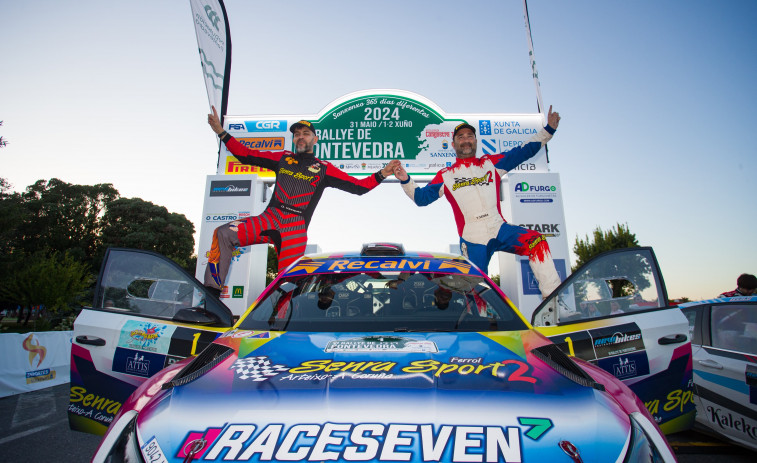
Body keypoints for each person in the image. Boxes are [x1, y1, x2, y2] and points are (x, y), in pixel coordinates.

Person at [205, 107, 400, 297]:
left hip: (294, 228)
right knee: (223, 233)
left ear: (314, 140)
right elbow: (245, 154)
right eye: (297, 133)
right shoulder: (283, 157)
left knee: (288, 284)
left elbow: (359, 187)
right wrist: (221, 132)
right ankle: (212, 300)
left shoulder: (325, 168)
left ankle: (282, 323)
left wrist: (383, 173)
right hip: (270, 218)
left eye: (306, 133)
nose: (300, 136)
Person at [393, 107, 562, 298]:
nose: (466, 140)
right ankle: (481, 322)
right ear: (453, 144)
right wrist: (406, 180)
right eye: (461, 137)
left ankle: (552, 299)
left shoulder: (492, 163)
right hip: (473, 238)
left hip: (499, 227)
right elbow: (421, 199)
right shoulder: (446, 175)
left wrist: (548, 131)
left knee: (536, 242)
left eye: (469, 136)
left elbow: (523, 151)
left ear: (475, 140)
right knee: (475, 289)